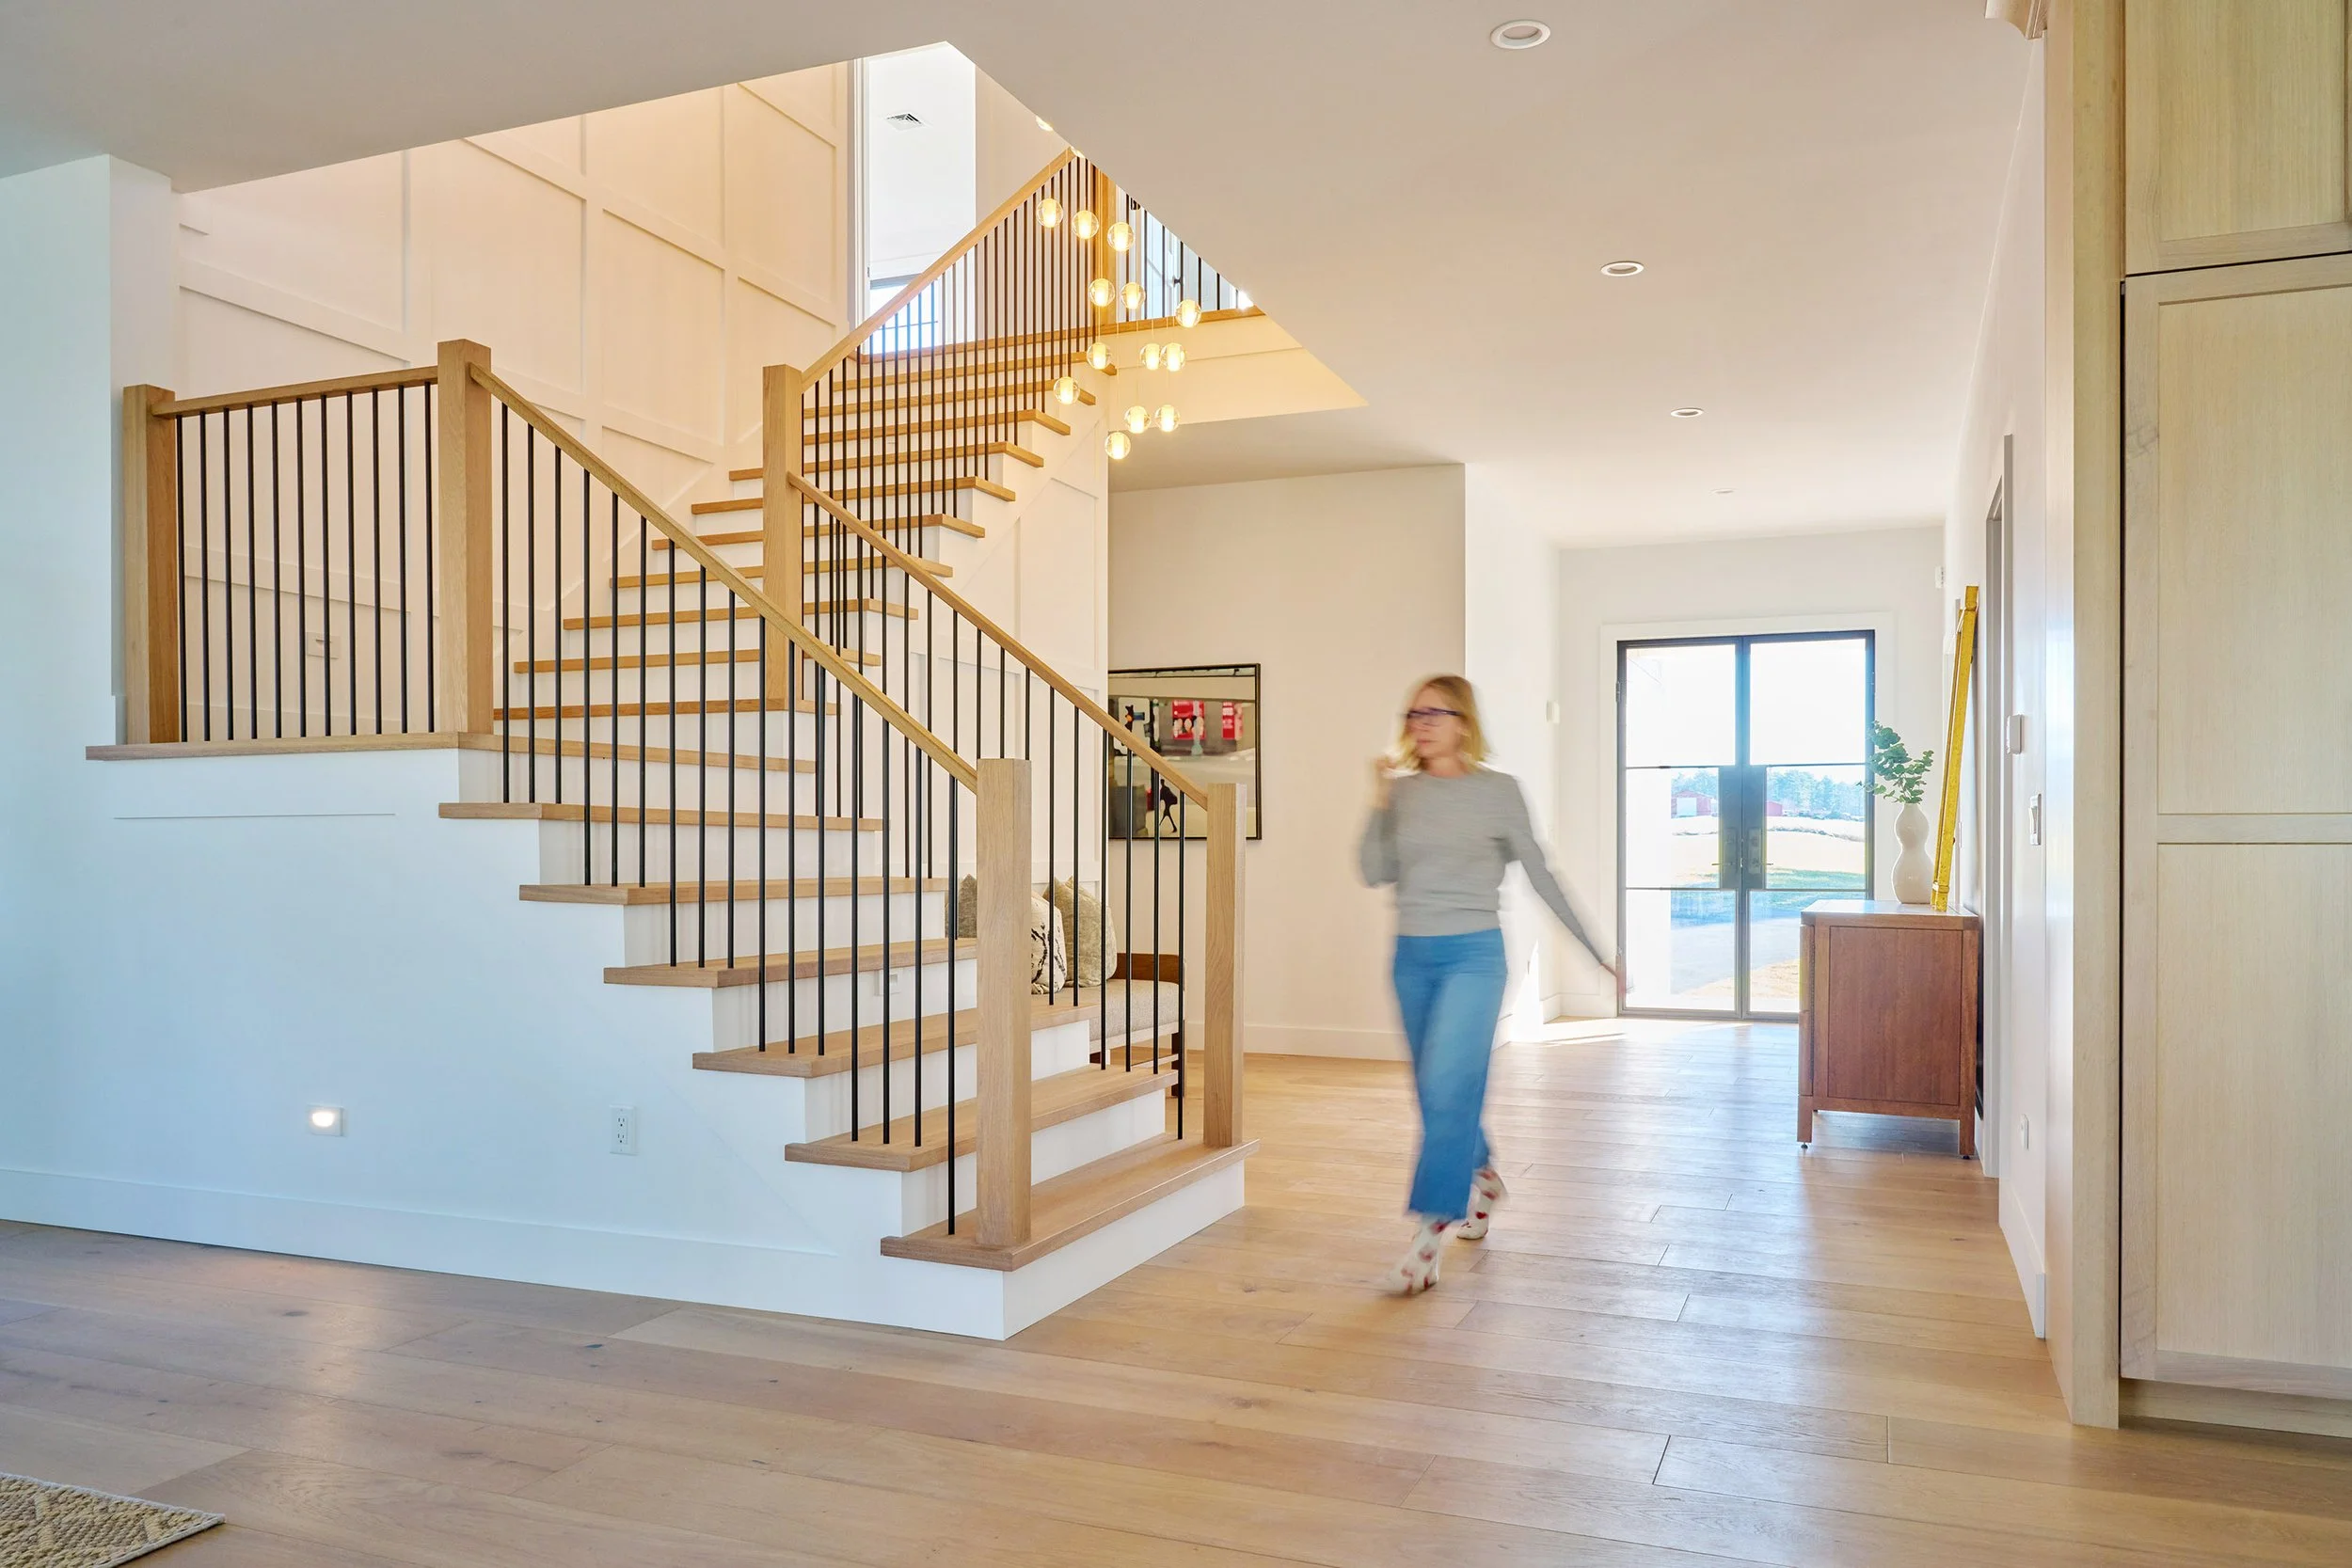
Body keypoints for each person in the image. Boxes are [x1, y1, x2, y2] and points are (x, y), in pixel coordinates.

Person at [1359, 674, 1618, 1294]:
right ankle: (1483, 1173)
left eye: (1435, 711)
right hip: (1411, 957)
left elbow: (1541, 874)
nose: (1421, 722)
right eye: (1413, 711)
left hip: (1474, 957)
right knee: (1435, 1087)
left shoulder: (1500, 792)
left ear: (1464, 721)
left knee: (1449, 1082)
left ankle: (1429, 1233)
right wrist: (1377, 801)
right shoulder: (1403, 793)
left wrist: (1595, 951)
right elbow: (1374, 870)